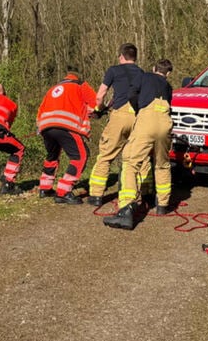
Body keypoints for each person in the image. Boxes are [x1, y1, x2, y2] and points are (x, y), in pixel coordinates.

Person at [105, 59, 174, 230]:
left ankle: (127, 208)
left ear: (153, 68)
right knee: (162, 164)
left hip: (147, 119)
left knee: (130, 161)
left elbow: (131, 95)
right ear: (168, 73)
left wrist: (138, 110)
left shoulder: (143, 77)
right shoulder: (168, 86)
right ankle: (162, 205)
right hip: (165, 122)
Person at [86, 43, 144, 207]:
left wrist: (99, 109)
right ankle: (132, 195)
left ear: (121, 56)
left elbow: (100, 94)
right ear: (135, 57)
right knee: (131, 158)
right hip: (136, 117)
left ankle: (96, 195)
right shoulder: (141, 73)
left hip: (119, 115)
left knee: (105, 155)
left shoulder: (114, 70)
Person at [36, 67, 98, 204]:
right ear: (78, 77)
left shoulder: (52, 89)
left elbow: (40, 110)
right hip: (66, 126)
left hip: (46, 127)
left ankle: (45, 188)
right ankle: (64, 191)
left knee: (52, 156)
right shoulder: (80, 85)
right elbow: (96, 103)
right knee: (80, 156)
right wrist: (100, 111)